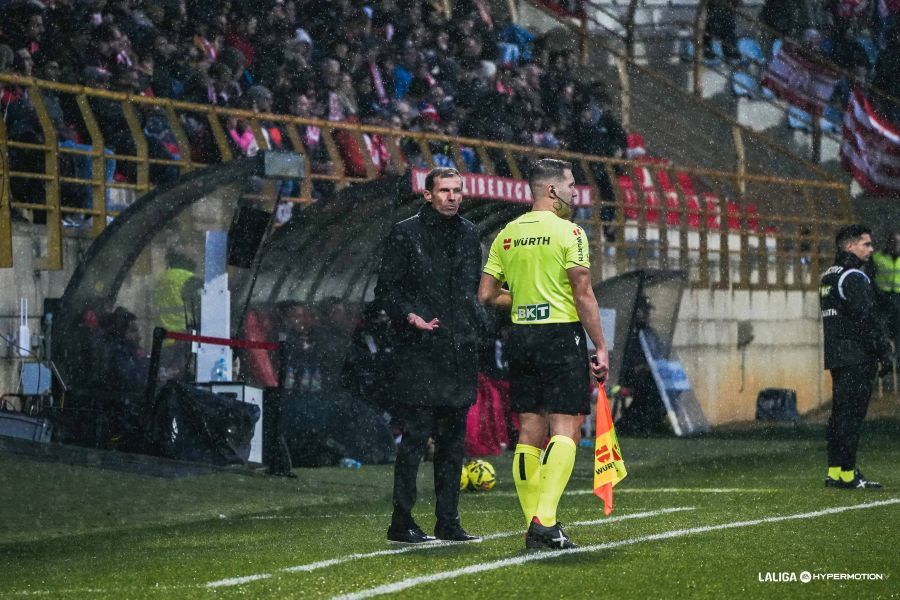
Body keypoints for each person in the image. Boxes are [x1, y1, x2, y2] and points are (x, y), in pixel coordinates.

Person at [478, 158, 609, 549]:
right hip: (559, 336)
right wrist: (600, 345)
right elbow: (582, 293)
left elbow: (485, 294)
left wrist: (526, 298)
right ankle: (546, 521)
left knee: (529, 431)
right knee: (566, 427)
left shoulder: (507, 234)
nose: (573, 191)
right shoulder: (570, 232)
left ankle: (536, 525)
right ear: (551, 190)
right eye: (569, 185)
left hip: (521, 336)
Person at [374, 166, 483, 544]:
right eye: (444, 191)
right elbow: (385, 290)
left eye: (457, 191)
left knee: (453, 444)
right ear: (427, 195)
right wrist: (409, 316)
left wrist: (478, 326)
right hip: (419, 353)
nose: (452, 197)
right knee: (416, 439)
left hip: (459, 352)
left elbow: (473, 291)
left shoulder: (471, 234)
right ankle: (401, 521)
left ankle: (447, 522)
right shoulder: (405, 234)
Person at [820, 224, 887, 490]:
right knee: (852, 416)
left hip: (837, 355)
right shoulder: (853, 276)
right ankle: (848, 474)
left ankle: (835, 471)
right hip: (856, 355)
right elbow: (866, 317)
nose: (871, 250)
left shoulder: (828, 276)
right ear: (850, 246)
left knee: (839, 415)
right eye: (866, 244)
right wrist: (881, 349)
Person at [873, 230, 900, 368]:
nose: (896, 245)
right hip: (882, 299)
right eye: (893, 242)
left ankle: (897, 360)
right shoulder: (878, 257)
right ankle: (884, 357)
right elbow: (871, 277)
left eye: (898, 243)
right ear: (888, 243)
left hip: (898, 299)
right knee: (881, 329)